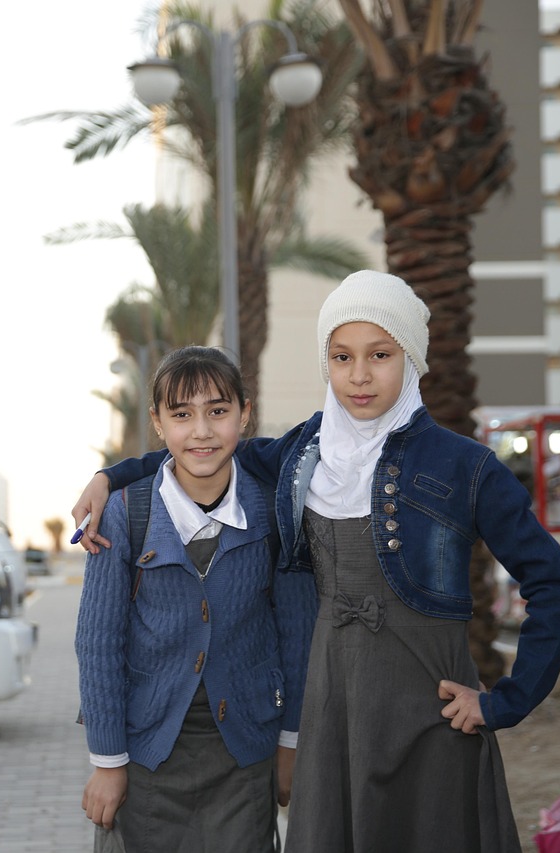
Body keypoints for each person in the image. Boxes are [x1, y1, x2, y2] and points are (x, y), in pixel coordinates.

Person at [73, 272, 560, 853]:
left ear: (412, 359)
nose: (360, 375)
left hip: (427, 715)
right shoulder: (302, 451)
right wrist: (110, 476)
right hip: (329, 717)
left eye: (381, 354)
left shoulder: (464, 467)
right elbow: (204, 447)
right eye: (342, 356)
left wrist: (504, 702)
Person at [75, 346, 317, 853]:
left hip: (246, 749)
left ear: (244, 414)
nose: (201, 430)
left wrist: (291, 742)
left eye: (218, 411)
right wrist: (107, 761)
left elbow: (297, 634)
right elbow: (97, 644)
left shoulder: (273, 510)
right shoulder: (123, 513)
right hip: (147, 750)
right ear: (159, 424)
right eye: (182, 414)